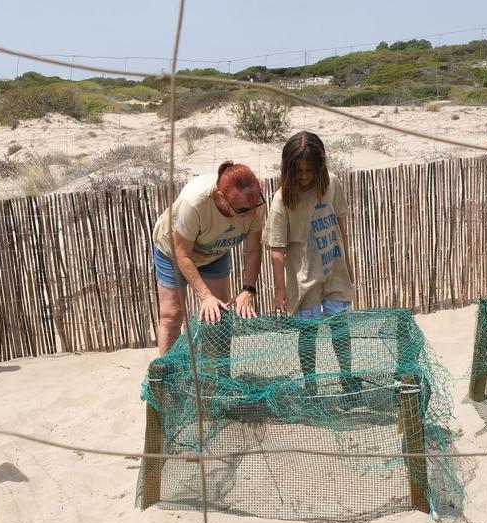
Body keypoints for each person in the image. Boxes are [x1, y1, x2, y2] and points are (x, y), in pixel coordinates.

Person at [265, 131, 358, 396]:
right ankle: (311, 385)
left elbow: (342, 225)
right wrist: (280, 289)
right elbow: (277, 248)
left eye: (310, 170)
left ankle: (347, 378)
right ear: (289, 169)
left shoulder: (332, 183)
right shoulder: (283, 199)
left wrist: (348, 263)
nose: (305, 176)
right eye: (299, 171)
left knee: (340, 328)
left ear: (320, 166)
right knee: (308, 333)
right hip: (304, 277)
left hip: (334, 269)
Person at [151, 161, 266, 354]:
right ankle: (168, 371)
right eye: (243, 210)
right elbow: (182, 254)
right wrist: (205, 296)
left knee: (218, 314)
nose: (252, 213)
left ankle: (216, 371)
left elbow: (254, 249)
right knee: (172, 314)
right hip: (173, 251)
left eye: (254, 206)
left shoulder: (253, 202)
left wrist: (248, 289)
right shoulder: (194, 203)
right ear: (220, 198)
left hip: (215, 252)